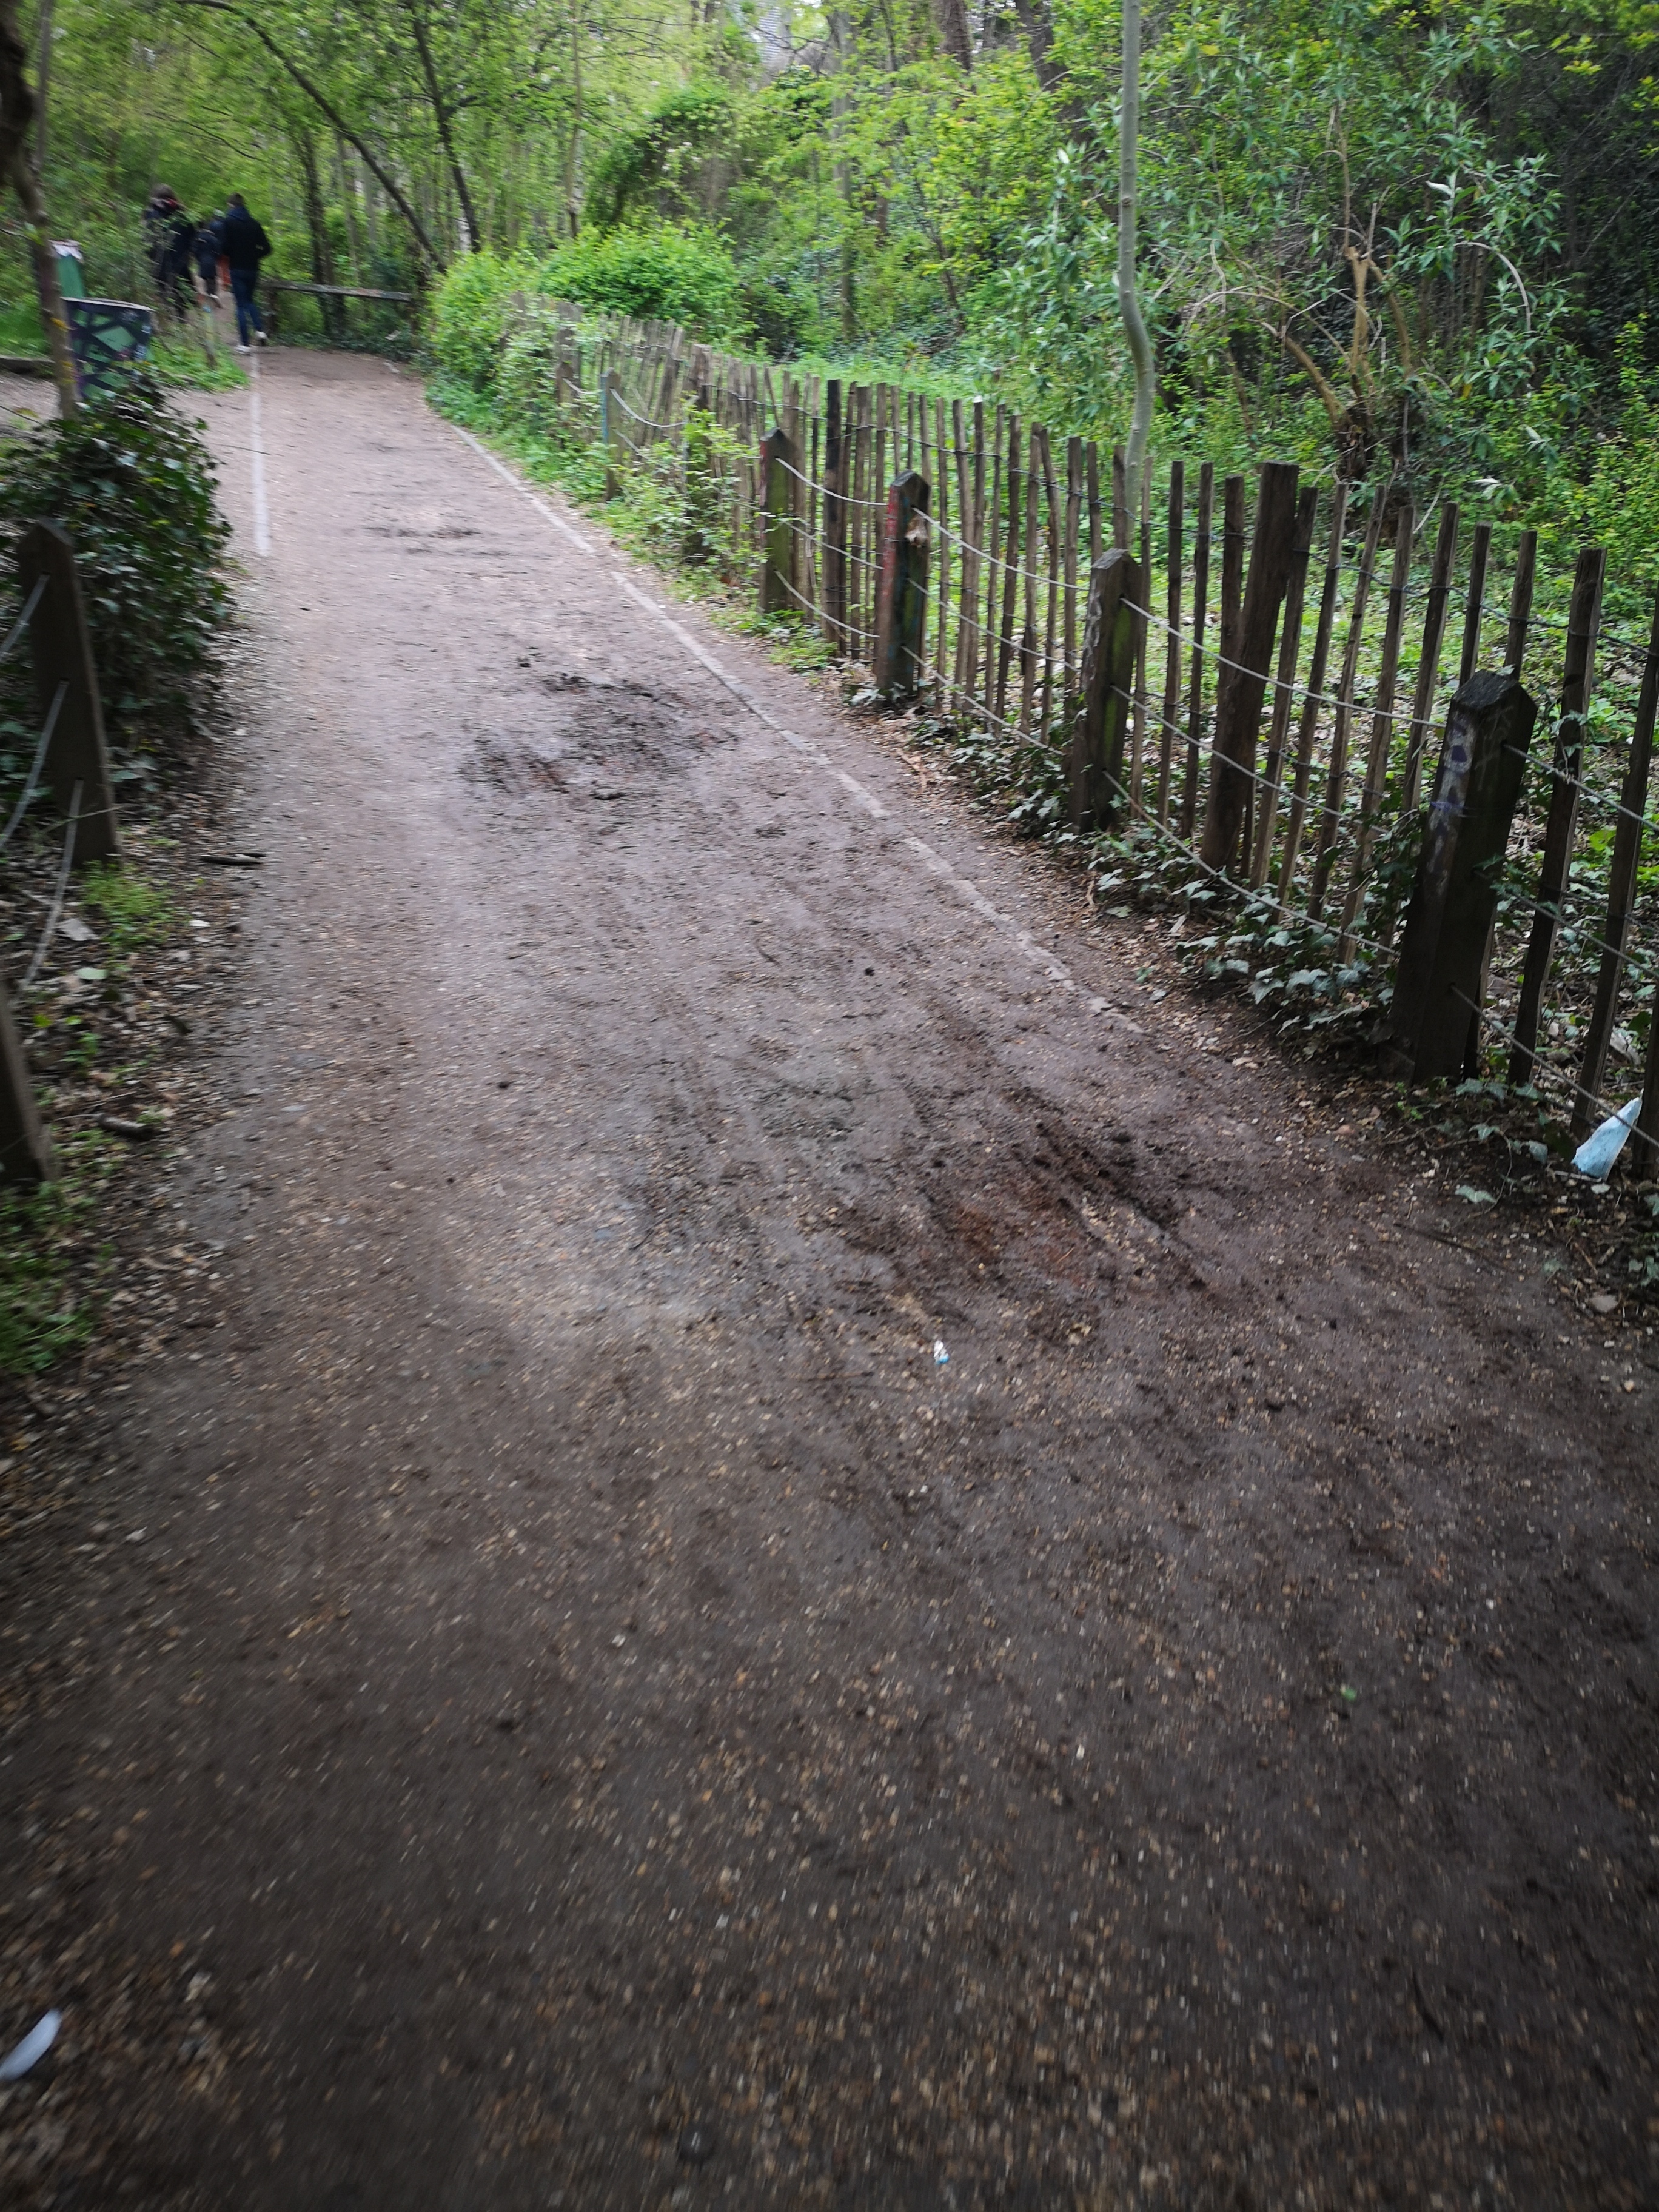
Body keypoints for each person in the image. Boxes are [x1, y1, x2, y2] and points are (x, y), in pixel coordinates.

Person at [219, 192, 272, 352]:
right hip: (253, 269)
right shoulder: (254, 224)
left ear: (231, 205)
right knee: (250, 301)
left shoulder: (228, 223)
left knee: (241, 306)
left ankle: (244, 344)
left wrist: (233, 255)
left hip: (237, 268)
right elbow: (268, 248)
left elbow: (224, 247)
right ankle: (260, 331)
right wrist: (254, 256)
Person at [143, 186, 195, 318]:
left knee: (163, 293)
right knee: (180, 295)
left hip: (160, 263)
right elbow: (193, 238)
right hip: (181, 262)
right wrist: (189, 254)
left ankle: (168, 319)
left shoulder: (151, 215)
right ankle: (181, 319)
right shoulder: (182, 214)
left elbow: (146, 240)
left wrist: (150, 257)